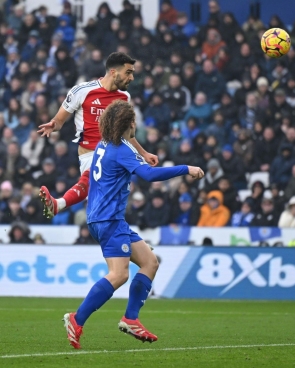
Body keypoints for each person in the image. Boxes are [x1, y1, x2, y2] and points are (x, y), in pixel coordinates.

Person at [62, 100, 203, 349]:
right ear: (128, 124)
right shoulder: (121, 149)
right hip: (108, 219)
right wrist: (186, 168)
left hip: (106, 217)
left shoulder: (105, 145)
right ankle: (76, 319)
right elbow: (148, 175)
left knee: (149, 262)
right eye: (133, 120)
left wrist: (143, 153)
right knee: (119, 274)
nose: (135, 124)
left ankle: (131, 318)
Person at [38, 52, 159, 219]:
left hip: (115, 152)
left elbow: (128, 135)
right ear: (113, 72)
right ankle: (59, 204)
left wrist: (144, 153)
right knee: (95, 184)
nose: (131, 78)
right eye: (128, 72)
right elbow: (59, 121)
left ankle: (132, 243)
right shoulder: (82, 91)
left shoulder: (125, 97)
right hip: (90, 153)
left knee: (111, 207)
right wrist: (54, 124)